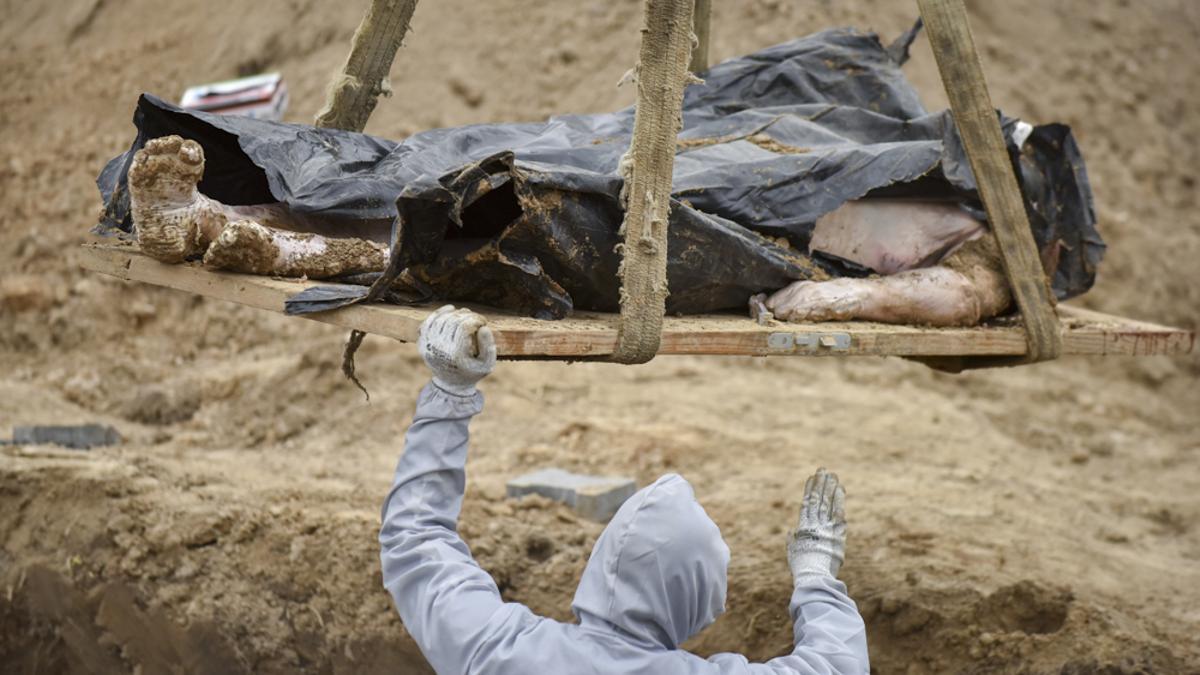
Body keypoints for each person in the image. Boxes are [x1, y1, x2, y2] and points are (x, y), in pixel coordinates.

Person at [379, 305, 870, 674]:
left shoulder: (503, 652)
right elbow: (837, 666)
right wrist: (815, 576)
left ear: (602, 562)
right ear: (702, 601)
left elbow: (417, 541)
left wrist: (449, 395)